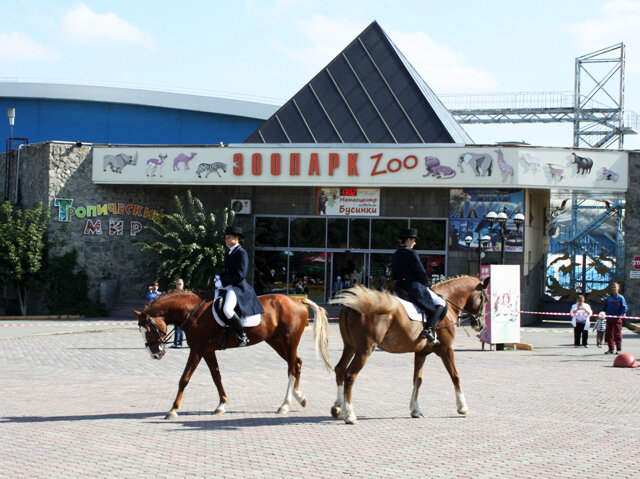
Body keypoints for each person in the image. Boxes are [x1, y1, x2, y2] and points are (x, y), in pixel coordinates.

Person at [391, 228, 446, 344]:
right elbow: (420, 272)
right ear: (409, 239)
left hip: (399, 287)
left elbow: (394, 274)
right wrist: (427, 284)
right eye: (414, 240)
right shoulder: (412, 253)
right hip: (413, 287)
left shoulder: (395, 254)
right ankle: (428, 329)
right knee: (441, 302)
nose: (415, 243)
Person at [213, 226, 264, 347]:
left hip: (237, 287)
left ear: (237, 239)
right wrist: (219, 277)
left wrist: (223, 282)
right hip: (227, 286)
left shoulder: (242, 253)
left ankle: (242, 335)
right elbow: (227, 272)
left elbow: (240, 275)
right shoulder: (228, 253)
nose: (226, 240)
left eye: (228, 238)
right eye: (226, 238)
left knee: (227, 309)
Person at [603, 281, 627, 354]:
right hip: (609, 318)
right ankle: (611, 349)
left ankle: (619, 349)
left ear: (618, 288)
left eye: (615, 287)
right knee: (609, 334)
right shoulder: (609, 298)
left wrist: (620, 316)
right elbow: (606, 307)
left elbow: (624, 308)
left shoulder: (620, 298)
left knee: (617, 334)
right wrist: (603, 313)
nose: (614, 288)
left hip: (617, 319)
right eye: (613, 287)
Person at [170, 279, 185, 348]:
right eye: (177, 284)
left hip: (181, 313)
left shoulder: (184, 293)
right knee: (176, 328)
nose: (178, 285)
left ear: (182, 285)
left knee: (180, 328)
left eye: (180, 284)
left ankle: (179, 343)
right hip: (175, 313)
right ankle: (175, 342)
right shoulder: (174, 293)